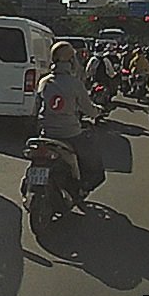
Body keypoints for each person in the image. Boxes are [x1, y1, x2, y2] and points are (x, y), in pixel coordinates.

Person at [37, 41, 106, 199]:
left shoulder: (44, 82)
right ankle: (82, 188)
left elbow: (39, 104)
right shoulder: (75, 84)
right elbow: (88, 109)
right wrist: (98, 112)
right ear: (70, 60)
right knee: (94, 164)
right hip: (70, 134)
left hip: (46, 133)